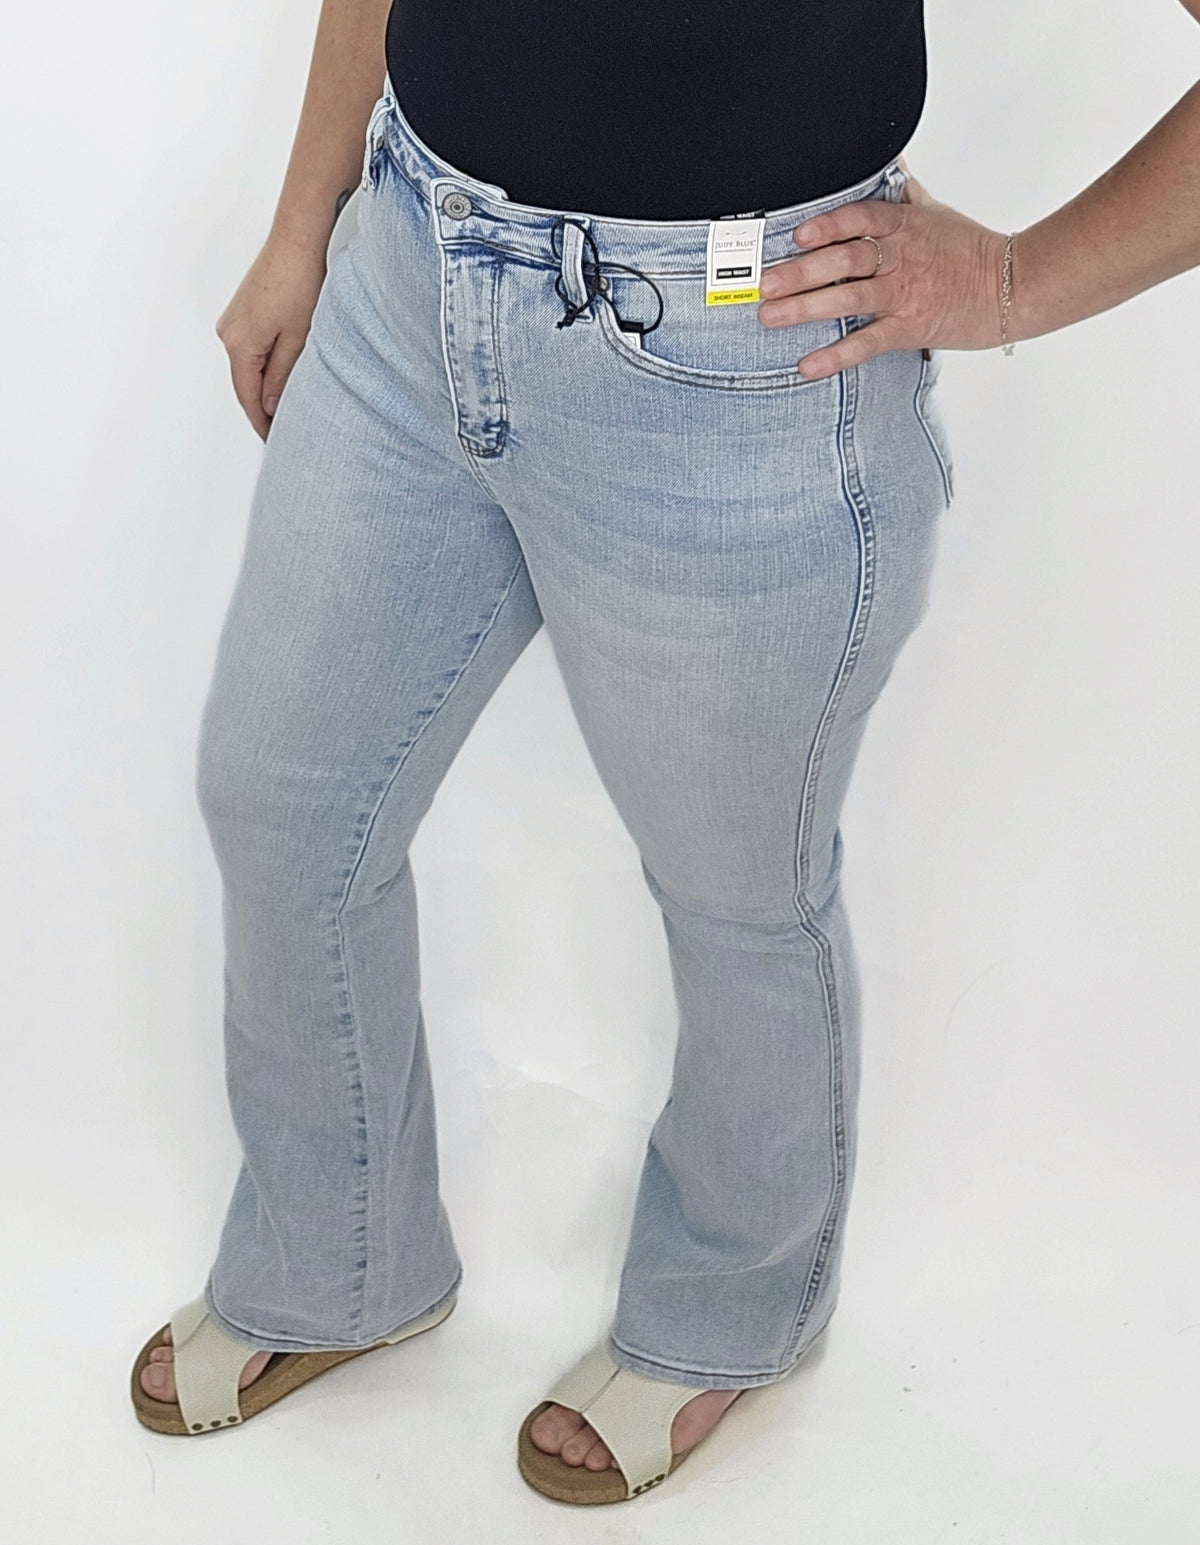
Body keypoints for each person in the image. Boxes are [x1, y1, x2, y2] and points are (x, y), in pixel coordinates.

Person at [128, 0, 1200, 1506]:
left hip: (742, 363)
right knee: (281, 800)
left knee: (737, 896)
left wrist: (1015, 279)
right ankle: (338, 1260)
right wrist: (303, 226)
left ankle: (735, 1305)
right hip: (413, 274)